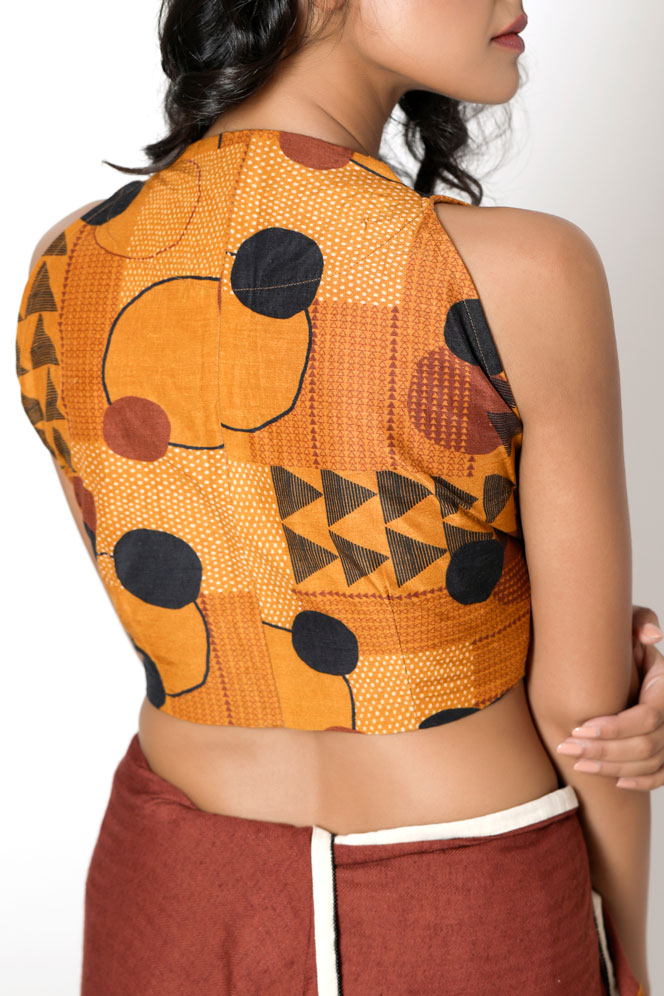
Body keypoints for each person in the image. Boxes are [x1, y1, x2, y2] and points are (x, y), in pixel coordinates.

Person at [14, 1, 663, 993]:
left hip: (174, 890)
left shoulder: (69, 263)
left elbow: (182, 600)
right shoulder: (524, 270)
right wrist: (630, 953)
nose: (519, 4)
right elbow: (586, 715)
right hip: (464, 899)